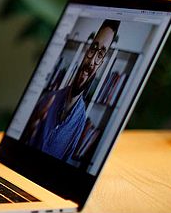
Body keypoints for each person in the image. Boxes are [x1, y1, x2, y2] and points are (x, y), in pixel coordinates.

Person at [22, 20, 119, 161]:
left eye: (100, 54)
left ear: (101, 64)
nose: (92, 62)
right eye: (93, 48)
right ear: (86, 51)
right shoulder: (48, 98)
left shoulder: (80, 122)